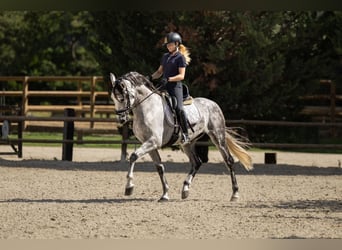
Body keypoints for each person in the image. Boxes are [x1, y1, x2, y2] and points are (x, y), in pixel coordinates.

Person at [149, 32, 191, 144]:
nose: (168, 46)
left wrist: (169, 79)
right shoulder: (165, 56)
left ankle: (186, 134)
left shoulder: (180, 58)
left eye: (170, 44)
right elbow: (159, 72)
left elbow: (181, 76)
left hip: (175, 87)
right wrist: (150, 77)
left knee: (179, 108)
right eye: (167, 45)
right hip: (164, 86)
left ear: (177, 44)